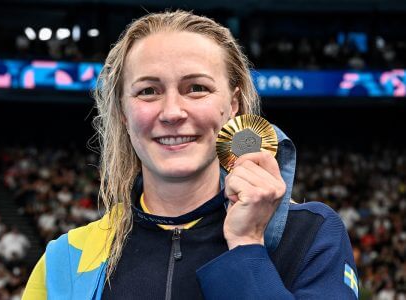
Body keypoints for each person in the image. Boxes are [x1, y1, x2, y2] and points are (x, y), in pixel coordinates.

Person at [23, 10, 358, 299]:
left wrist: (246, 244)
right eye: (148, 91)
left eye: (196, 88)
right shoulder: (65, 261)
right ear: (124, 113)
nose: (171, 112)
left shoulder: (310, 233)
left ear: (233, 105)